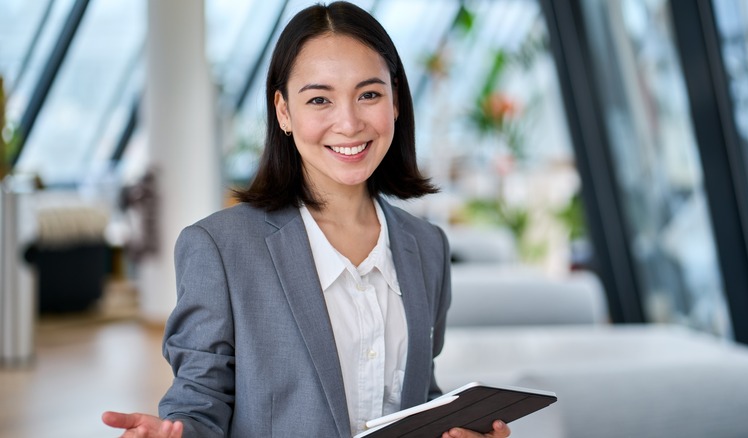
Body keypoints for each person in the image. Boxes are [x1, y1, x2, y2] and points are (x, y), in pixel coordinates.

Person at [102, 2, 512, 437]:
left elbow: (413, 396)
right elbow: (200, 405)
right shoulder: (220, 248)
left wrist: (455, 429)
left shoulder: (426, 245)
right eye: (319, 99)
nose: (349, 122)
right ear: (283, 112)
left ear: (395, 101)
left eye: (369, 94)